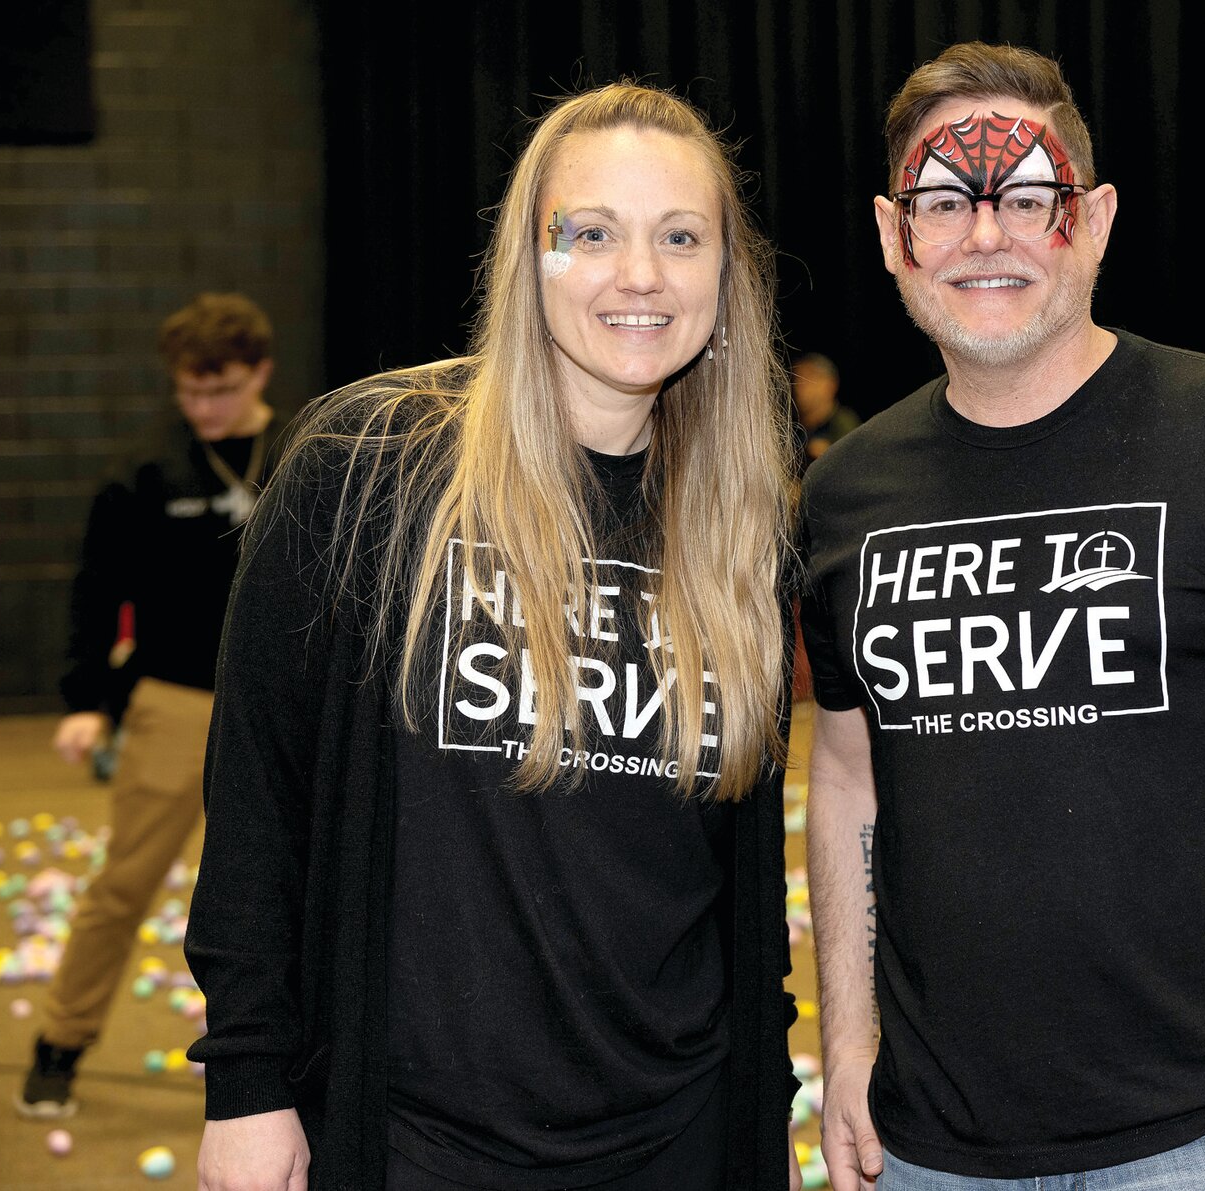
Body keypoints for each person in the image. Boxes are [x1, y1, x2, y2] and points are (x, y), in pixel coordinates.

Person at [799, 42, 1205, 1191]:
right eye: (944, 202)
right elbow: (847, 774)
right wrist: (848, 1043)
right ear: (895, 234)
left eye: (1027, 199)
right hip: (933, 1152)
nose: (985, 236)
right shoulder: (846, 493)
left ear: (1089, 222)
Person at [184, 82, 803, 1191]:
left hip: (679, 1138)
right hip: (423, 1141)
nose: (641, 275)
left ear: (728, 272)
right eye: (591, 234)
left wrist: (765, 1112)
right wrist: (249, 1086)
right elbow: (256, 804)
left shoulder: (743, 525)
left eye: (680, 237)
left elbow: (736, 891)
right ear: (529, 257)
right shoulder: (366, 467)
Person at [17, 292, 281, 1119]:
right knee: (125, 883)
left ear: (260, 373)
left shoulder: (306, 449)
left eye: (224, 391)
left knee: (295, 891)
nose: (207, 409)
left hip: (277, 707)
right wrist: (88, 699)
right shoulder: (146, 471)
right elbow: (99, 592)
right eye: (192, 393)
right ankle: (59, 1041)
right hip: (175, 701)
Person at [791, 353, 860, 466]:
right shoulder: (792, 425)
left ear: (830, 384)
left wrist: (831, 458)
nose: (800, 385)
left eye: (810, 378)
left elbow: (857, 465)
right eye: (796, 378)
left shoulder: (844, 424)